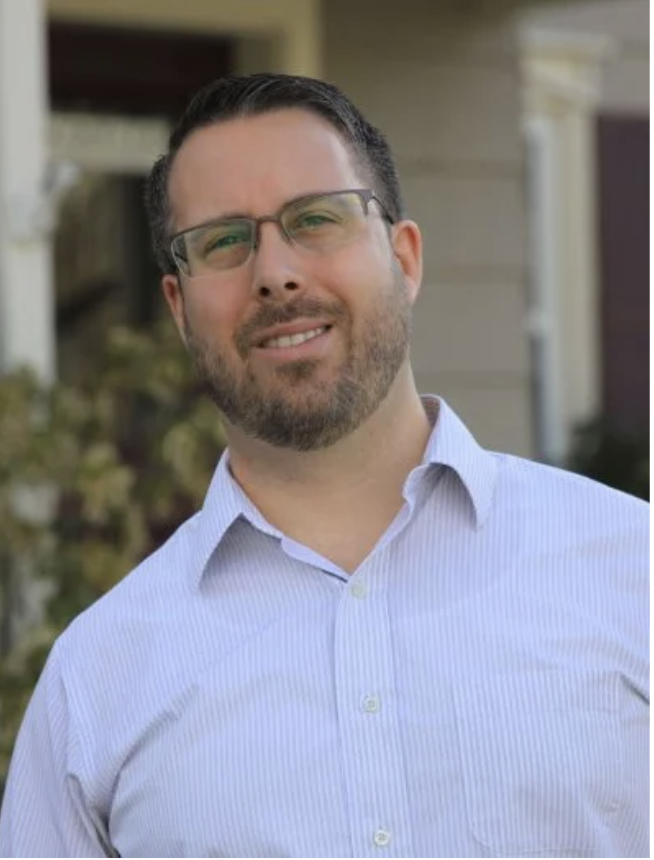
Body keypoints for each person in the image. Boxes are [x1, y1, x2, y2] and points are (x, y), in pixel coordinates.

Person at [0, 73, 648, 859]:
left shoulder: (629, 571)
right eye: (223, 242)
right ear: (177, 306)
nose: (275, 272)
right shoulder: (96, 680)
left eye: (317, 218)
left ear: (404, 258)